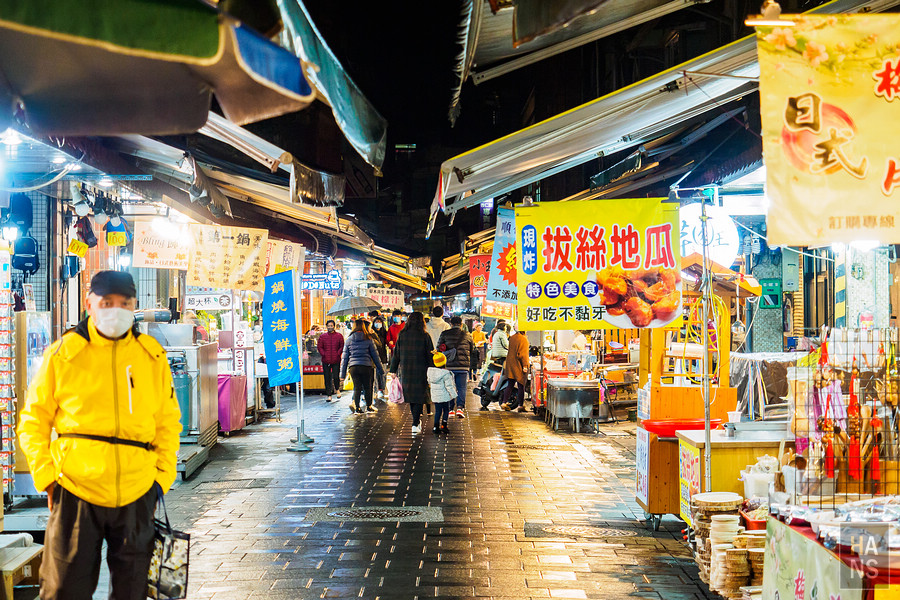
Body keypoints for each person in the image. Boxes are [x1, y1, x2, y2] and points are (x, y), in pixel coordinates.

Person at [18, 270, 181, 600]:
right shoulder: (63, 353)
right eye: (107, 302)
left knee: (133, 590)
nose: (115, 310)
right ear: (89, 304)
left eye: (124, 303)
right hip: (75, 489)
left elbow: (168, 422)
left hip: (137, 490)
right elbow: (33, 421)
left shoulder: (151, 354)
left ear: (135, 305)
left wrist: (160, 480)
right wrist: (47, 477)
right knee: (64, 589)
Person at [389, 312, 434, 434]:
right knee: (419, 395)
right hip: (421, 370)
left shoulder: (402, 335)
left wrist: (393, 370)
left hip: (406, 370)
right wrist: (433, 368)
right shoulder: (425, 335)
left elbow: (396, 354)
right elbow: (430, 355)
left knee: (411, 396)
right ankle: (415, 422)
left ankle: (416, 421)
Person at [340, 319, 384, 414]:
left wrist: (342, 375)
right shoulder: (368, 338)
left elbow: (345, 358)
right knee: (368, 387)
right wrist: (381, 369)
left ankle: (357, 408)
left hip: (353, 367)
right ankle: (369, 406)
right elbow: (375, 355)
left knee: (357, 387)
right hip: (366, 366)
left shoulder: (349, 339)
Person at [436, 316, 475, 419]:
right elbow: (472, 349)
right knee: (461, 387)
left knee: (450, 387)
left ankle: (450, 410)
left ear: (451, 324)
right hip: (463, 366)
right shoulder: (467, 335)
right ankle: (460, 408)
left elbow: (438, 348)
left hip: (449, 366)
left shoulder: (445, 334)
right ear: (461, 324)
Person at [501, 327, 530, 412]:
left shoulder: (512, 337)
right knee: (521, 385)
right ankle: (520, 406)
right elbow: (523, 354)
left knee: (510, 384)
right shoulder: (523, 339)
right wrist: (525, 366)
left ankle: (504, 402)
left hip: (510, 363)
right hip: (518, 365)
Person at [427, 351, 456, 433]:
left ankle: (435, 427)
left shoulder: (430, 372)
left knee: (438, 411)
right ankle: (444, 425)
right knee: (446, 410)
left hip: (435, 396)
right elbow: (449, 386)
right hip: (445, 396)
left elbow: (429, 381)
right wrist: (453, 395)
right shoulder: (446, 373)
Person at [317, 319, 345, 403]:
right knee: (327, 377)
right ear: (327, 327)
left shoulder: (339, 336)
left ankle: (337, 389)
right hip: (326, 360)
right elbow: (320, 347)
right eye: (328, 326)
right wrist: (324, 354)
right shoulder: (323, 336)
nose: (330, 327)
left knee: (336, 376)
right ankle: (329, 394)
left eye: (331, 326)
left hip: (336, 359)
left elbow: (342, 345)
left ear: (334, 326)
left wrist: (338, 353)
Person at [372, 316, 389, 398]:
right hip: (373, 357)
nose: (378, 323)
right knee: (374, 375)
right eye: (376, 322)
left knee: (383, 374)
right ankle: (375, 390)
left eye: (379, 322)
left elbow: (388, 342)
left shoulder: (385, 333)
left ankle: (382, 389)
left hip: (383, 356)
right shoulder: (371, 333)